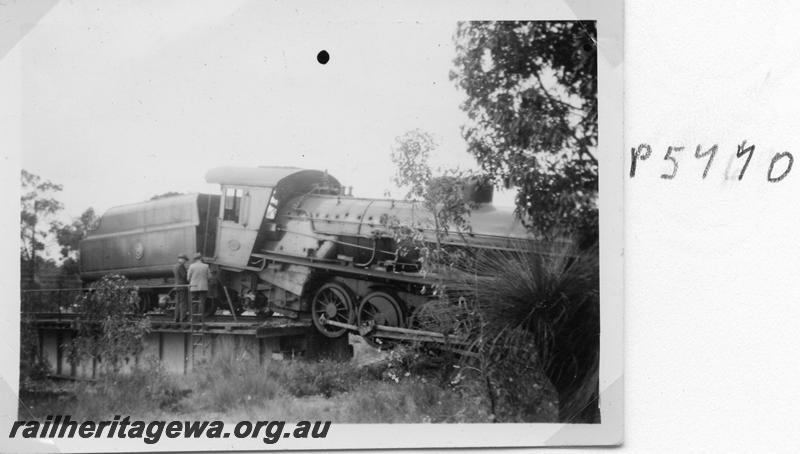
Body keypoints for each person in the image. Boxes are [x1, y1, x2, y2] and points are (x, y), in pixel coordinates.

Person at [187, 252, 210, 321]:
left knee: (194, 303)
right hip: (203, 287)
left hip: (194, 287)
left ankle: (194, 318)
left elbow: (188, 278)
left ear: (195, 259)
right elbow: (209, 277)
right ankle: (201, 319)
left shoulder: (191, 266)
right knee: (202, 302)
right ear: (201, 258)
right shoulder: (206, 266)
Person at [173, 254, 189, 322]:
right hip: (182, 286)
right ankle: (183, 318)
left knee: (177, 303)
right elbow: (184, 276)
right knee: (183, 302)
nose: (185, 262)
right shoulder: (181, 266)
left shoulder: (175, 266)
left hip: (177, 286)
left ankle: (176, 318)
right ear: (182, 259)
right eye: (185, 260)